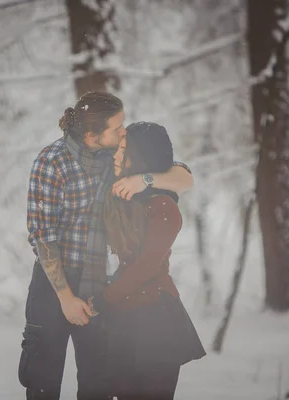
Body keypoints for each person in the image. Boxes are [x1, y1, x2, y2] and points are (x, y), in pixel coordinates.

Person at [19, 92, 193, 400]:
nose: (123, 132)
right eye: (117, 127)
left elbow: (184, 177)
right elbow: (42, 235)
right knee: (42, 380)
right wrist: (65, 297)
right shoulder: (52, 162)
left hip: (98, 284)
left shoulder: (116, 157)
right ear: (90, 135)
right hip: (54, 283)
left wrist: (145, 181)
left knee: (98, 383)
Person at [89, 122, 206, 400]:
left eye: (122, 151)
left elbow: (147, 265)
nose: (115, 156)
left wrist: (105, 297)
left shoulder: (163, 206)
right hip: (123, 318)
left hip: (156, 320)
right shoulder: (122, 196)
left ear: (141, 157)